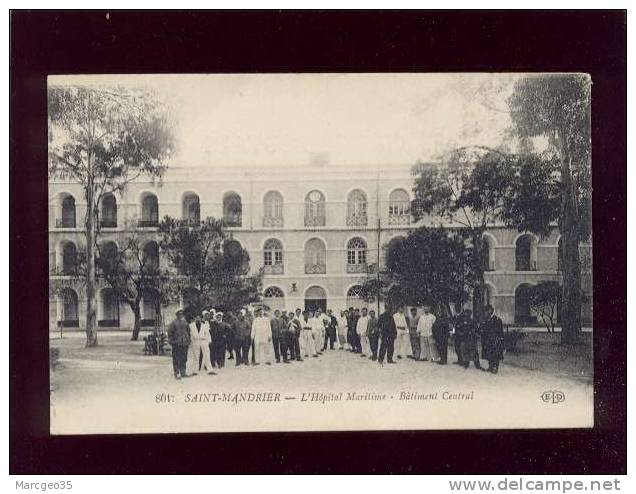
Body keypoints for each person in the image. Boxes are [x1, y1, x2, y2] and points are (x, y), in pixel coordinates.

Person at [480, 305, 505, 373]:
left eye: (486, 311)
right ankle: (490, 366)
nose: (485, 313)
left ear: (490, 311)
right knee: (489, 354)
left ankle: (495, 368)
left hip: (495, 340)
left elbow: (500, 331)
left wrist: (500, 340)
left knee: (495, 354)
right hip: (487, 340)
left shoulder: (497, 320)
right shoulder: (486, 320)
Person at [167, 309, 191, 379]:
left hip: (184, 343)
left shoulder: (185, 323)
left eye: (182, 314)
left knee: (184, 358)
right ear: (177, 315)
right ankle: (177, 373)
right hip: (176, 344)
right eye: (179, 314)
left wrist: (188, 340)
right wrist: (172, 342)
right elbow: (170, 333)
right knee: (176, 359)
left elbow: (188, 332)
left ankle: (183, 372)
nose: (181, 315)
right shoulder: (173, 323)